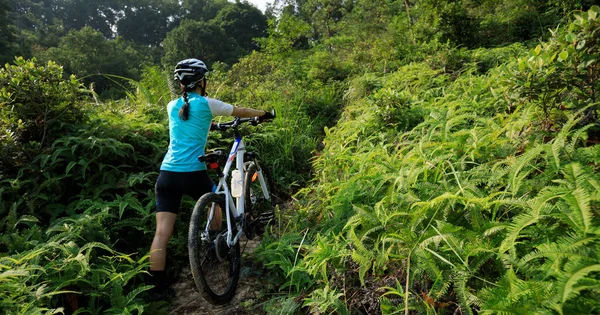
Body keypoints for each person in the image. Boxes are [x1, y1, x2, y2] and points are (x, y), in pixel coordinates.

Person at [147, 58, 272, 298]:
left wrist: (210, 126)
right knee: (218, 201)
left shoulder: (172, 105)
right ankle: (214, 243)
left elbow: (188, 122)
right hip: (192, 172)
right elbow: (241, 111)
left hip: (167, 174)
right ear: (200, 81)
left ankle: (156, 288)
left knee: (161, 232)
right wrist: (264, 113)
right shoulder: (206, 103)